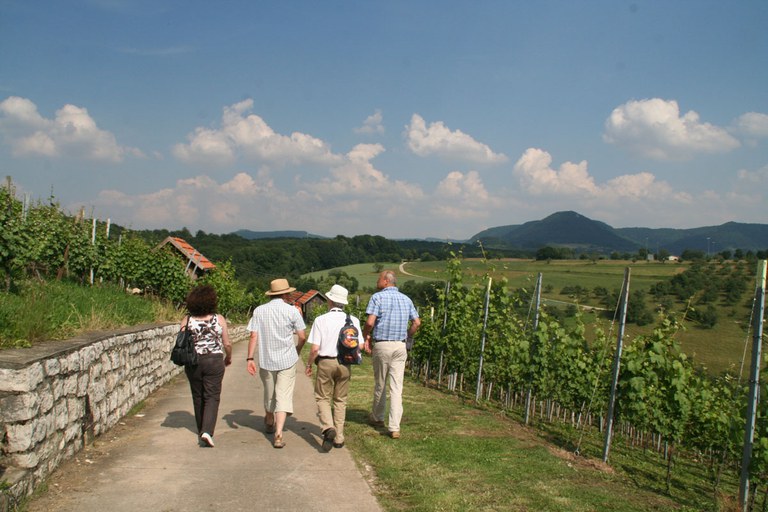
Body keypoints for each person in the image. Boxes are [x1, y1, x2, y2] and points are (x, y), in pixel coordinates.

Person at [246, 278, 307, 448]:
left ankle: (269, 417)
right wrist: (297, 350)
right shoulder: (292, 311)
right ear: (286, 294)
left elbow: (253, 335)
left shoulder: (259, 311)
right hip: (287, 359)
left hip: (266, 360)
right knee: (283, 396)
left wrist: (250, 358)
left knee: (269, 392)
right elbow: (302, 336)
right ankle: (279, 434)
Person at [362, 270, 421, 439]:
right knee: (397, 387)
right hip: (400, 346)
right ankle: (394, 427)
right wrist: (408, 336)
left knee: (380, 383)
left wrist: (366, 335)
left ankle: (378, 417)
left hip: (383, 345)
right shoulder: (406, 299)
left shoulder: (377, 297)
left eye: (379, 279)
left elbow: (370, 322)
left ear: (386, 282)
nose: (377, 282)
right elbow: (417, 322)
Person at [305, 284, 362, 452]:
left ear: (330, 300)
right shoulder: (354, 320)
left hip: (325, 362)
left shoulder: (321, 320)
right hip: (345, 363)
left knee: (322, 397)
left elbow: (315, 349)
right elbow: (361, 345)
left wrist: (309, 364)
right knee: (340, 400)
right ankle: (339, 437)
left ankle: (328, 427)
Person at [181, 284, 233, 448]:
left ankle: (200, 429)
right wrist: (228, 357)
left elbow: (181, 340)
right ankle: (207, 431)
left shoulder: (187, 320)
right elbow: (227, 343)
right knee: (212, 396)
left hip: (193, 361)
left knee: (198, 396)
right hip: (214, 360)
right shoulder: (219, 319)